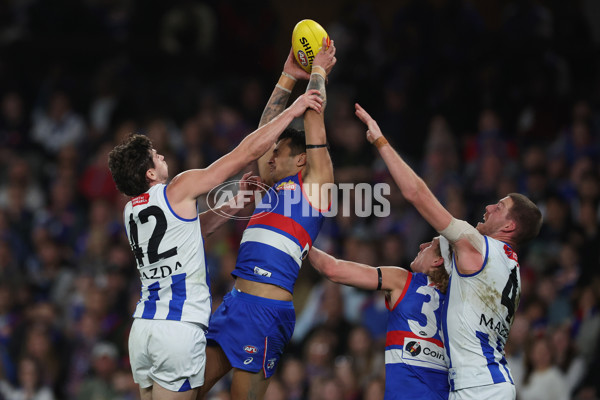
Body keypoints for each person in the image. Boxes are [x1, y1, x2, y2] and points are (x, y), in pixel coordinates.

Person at [107, 90, 323, 400]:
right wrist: (294, 110)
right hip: (177, 328)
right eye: (157, 155)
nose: (163, 155)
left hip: (143, 329)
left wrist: (235, 204)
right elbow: (244, 154)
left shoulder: (130, 211)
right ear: (150, 172)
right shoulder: (178, 188)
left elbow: (193, 230)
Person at [354, 103, 543, 400]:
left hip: (478, 387)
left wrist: (380, 141)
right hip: (489, 383)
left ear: (510, 227)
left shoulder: (477, 245)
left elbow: (416, 193)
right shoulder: (512, 270)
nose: (490, 206)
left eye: (500, 207)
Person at [198, 38, 337, 400]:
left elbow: (315, 121)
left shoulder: (316, 188)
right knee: (188, 393)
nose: (270, 157)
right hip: (234, 303)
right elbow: (262, 136)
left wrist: (318, 71)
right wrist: (288, 76)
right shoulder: (270, 185)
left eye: (280, 152)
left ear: (302, 160)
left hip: (265, 311)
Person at [308, 238, 450, 399]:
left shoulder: (403, 280)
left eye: (430, 245)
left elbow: (332, 268)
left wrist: (299, 239)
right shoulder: (458, 299)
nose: (422, 245)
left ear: (438, 261)